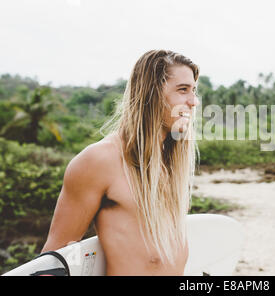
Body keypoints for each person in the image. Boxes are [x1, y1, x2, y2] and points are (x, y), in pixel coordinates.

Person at [41, 50, 200, 275]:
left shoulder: (169, 163)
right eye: (182, 90)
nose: (193, 102)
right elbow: (53, 259)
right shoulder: (99, 160)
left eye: (193, 90)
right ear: (151, 94)